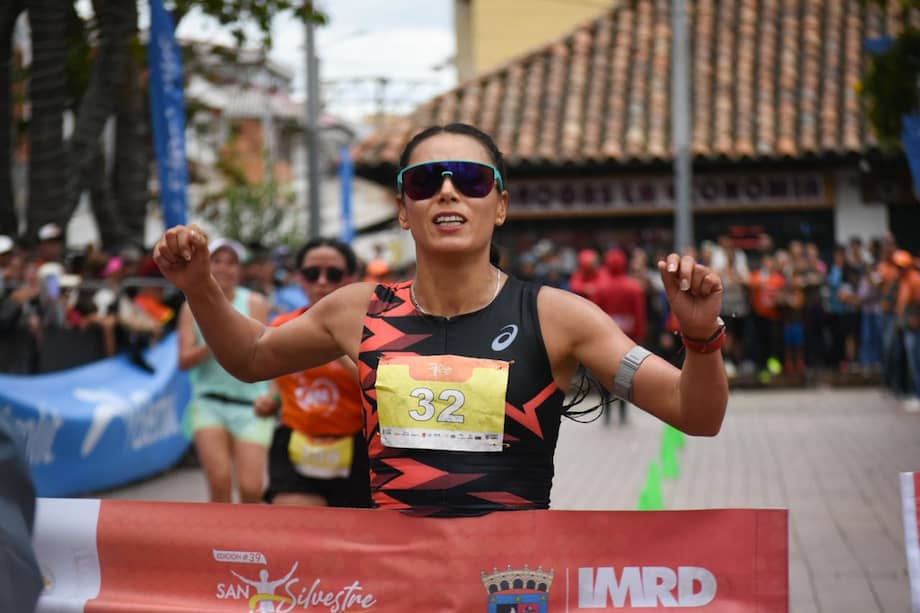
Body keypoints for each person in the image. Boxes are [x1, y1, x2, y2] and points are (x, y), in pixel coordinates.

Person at [154, 123, 728, 517]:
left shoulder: (557, 317)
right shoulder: (358, 310)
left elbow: (694, 414)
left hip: (510, 584)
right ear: (404, 210)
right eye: (425, 181)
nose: (448, 192)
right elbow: (251, 358)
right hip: (399, 584)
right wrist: (200, 287)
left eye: (471, 180)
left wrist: (701, 338)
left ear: (499, 205)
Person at [253, 238, 371, 507]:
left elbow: (379, 386)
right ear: (299, 278)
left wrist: (338, 348)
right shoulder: (283, 326)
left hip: (357, 445)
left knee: (349, 541)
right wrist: (270, 401)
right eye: (311, 273)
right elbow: (280, 381)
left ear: (351, 278)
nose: (321, 282)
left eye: (333, 274)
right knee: (298, 535)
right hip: (296, 441)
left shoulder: (372, 328)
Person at [178, 238, 274, 503]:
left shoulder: (255, 303)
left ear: (240, 270)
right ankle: (219, 545)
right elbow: (184, 361)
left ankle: (251, 545)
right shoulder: (190, 307)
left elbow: (264, 352)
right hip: (209, 404)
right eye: (217, 261)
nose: (224, 268)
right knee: (219, 485)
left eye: (232, 263)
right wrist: (215, 339)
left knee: (251, 489)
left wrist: (274, 397)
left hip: (250, 405)